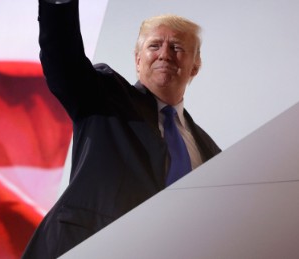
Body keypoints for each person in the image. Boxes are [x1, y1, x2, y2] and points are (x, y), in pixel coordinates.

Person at [23, 0, 221, 257]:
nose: (165, 54)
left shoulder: (211, 152)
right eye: (154, 45)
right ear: (138, 60)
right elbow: (63, 57)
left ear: (195, 66)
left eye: (177, 47)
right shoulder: (105, 95)